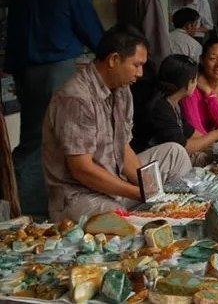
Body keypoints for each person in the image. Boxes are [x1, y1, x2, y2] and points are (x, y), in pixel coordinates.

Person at [42, 25, 191, 223]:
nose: (140, 73)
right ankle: (146, 215)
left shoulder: (121, 89)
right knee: (124, 219)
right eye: (136, 65)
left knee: (175, 153)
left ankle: (168, 209)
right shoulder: (76, 98)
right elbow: (82, 170)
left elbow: (123, 147)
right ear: (113, 60)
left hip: (114, 180)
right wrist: (139, 193)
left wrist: (152, 190)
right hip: (79, 196)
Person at [5, 0, 104, 216]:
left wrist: (13, 70)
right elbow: (95, 36)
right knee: (67, 139)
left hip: (25, 72)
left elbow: (11, 36)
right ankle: (50, 207)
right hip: (58, 70)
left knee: (32, 138)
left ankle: (23, 206)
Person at [116, 0, 172, 153]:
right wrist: (166, 73)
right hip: (148, 71)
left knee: (132, 122)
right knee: (145, 125)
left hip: (128, 67)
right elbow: (156, 39)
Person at [146, 55, 218, 164]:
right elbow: (185, 146)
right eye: (195, 80)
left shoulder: (174, 104)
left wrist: (217, 142)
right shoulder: (161, 108)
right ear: (188, 84)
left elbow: (190, 132)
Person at [181, 39, 218, 134]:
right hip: (194, 143)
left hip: (213, 142)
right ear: (202, 60)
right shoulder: (191, 86)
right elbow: (195, 128)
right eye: (212, 59)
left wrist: (208, 92)